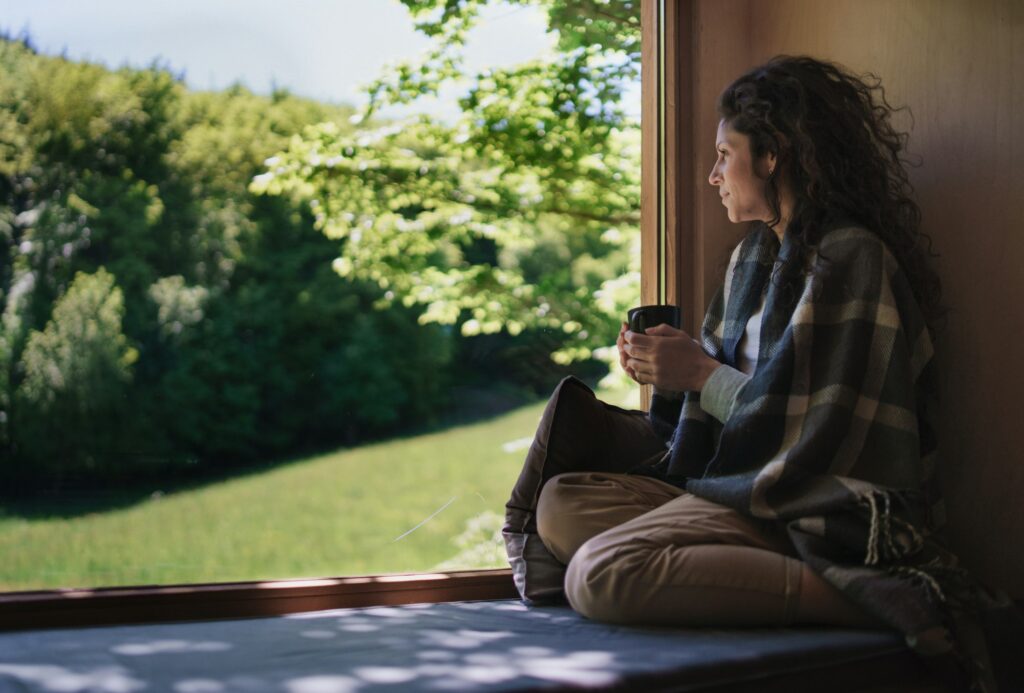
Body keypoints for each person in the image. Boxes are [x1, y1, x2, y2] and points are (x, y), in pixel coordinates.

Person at [517, 56, 1016, 690]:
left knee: (599, 573)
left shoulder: (851, 259)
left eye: (726, 154)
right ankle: (753, 566)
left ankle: (881, 597)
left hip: (814, 499)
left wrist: (700, 374)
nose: (712, 174)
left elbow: (819, 433)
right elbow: (722, 416)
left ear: (774, 154)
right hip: (740, 486)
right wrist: (670, 377)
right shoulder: (751, 258)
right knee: (560, 503)